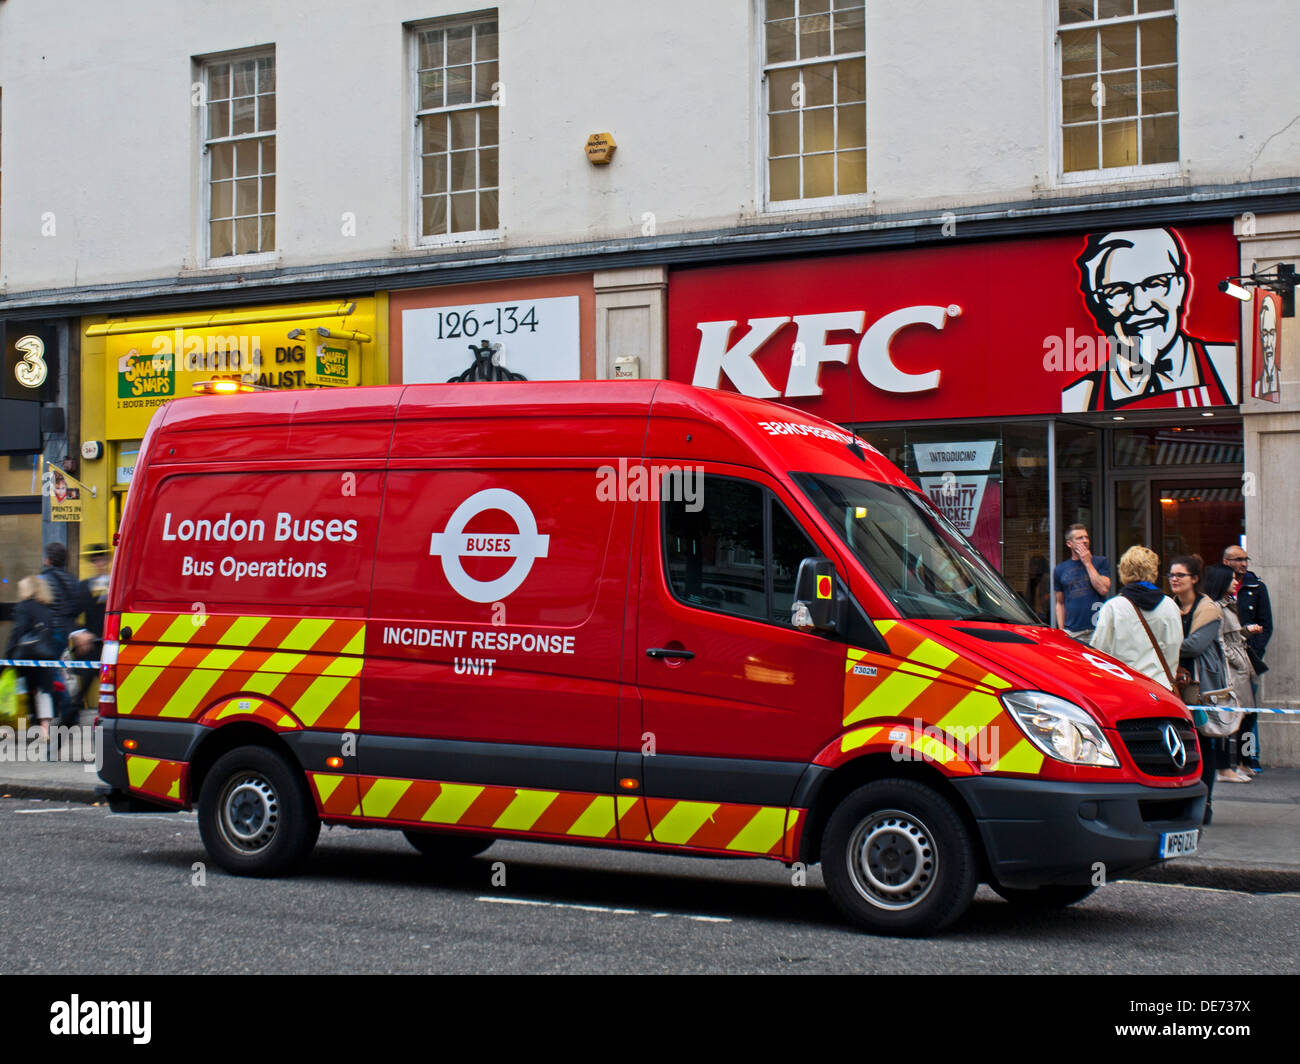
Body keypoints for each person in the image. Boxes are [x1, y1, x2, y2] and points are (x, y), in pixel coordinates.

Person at [1062, 227, 1237, 412]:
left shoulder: (1231, 366)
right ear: (1096, 304)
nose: (1140, 305)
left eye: (1155, 283)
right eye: (1118, 291)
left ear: (1181, 287)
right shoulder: (1078, 397)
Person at [1169, 555, 1228, 825]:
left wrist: (1164, 646)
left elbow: (1194, 646)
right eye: (1171, 575)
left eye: (1180, 575)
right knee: (1181, 742)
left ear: (1194, 578)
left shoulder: (1209, 609)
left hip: (1200, 685)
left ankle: (1205, 804)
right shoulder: (1169, 607)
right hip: (1174, 685)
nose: (1174, 579)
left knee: (1204, 742)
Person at [1090, 545, 1181, 688]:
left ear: (1124, 571)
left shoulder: (1113, 607)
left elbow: (1099, 653)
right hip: (1162, 689)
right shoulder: (1170, 605)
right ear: (1154, 571)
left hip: (1126, 689)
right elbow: (1174, 648)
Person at [1204, 563, 1254, 784]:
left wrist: (1245, 633)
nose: (1236, 582)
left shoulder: (1229, 604)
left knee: (1247, 716)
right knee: (1231, 718)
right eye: (1232, 579)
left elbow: (1231, 636)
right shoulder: (1216, 607)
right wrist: (1235, 660)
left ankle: (1244, 762)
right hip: (1232, 670)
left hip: (1241, 665)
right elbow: (1220, 642)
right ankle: (1225, 767)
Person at [1223, 545, 1270, 773]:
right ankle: (1224, 762)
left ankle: (1250, 757)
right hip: (1224, 659)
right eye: (1237, 559)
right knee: (1222, 711)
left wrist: (1254, 652)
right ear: (1226, 562)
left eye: (1245, 559)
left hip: (1247, 658)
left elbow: (1266, 624)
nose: (1243, 563)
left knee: (1249, 714)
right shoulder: (1219, 590)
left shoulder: (1256, 587)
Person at [5, 575, 58, 747]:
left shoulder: (23, 607)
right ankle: (45, 729)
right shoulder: (47, 608)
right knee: (44, 692)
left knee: (26, 691)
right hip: (45, 656)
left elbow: (17, 633)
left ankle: (23, 727)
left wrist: (7, 656)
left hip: (26, 658)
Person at [39, 542, 79, 727]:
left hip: (48, 632)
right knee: (57, 671)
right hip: (65, 632)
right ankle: (63, 709)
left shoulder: (44, 579)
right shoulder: (71, 580)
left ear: (48, 559)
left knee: (52, 672)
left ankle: (67, 710)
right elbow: (75, 606)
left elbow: (39, 606)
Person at [70, 544, 113, 712]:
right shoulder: (84, 586)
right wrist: (80, 633)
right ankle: (61, 733)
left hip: (111, 647)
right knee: (80, 695)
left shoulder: (116, 584)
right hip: (91, 648)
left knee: (113, 694)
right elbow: (70, 614)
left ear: (108, 561)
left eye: (102, 559)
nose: (99, 563)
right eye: (96, 560)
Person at [1054, 524, 1110, 641]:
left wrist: (1087, 563)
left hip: (1097, 629)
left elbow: (1103, 589)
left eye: (1086, 537)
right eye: (1079, 538)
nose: (1085, 541)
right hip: (1072, 632)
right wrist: (1062, 630)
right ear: (1069, 544)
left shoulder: (1100, 562)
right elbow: (1060, 602)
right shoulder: (1060, 569)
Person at [1254, 294, 1280, 399]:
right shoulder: (1256, 388)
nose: (1268, 344)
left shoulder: (1281, 379)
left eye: (1272, 333)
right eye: (1265, 334)